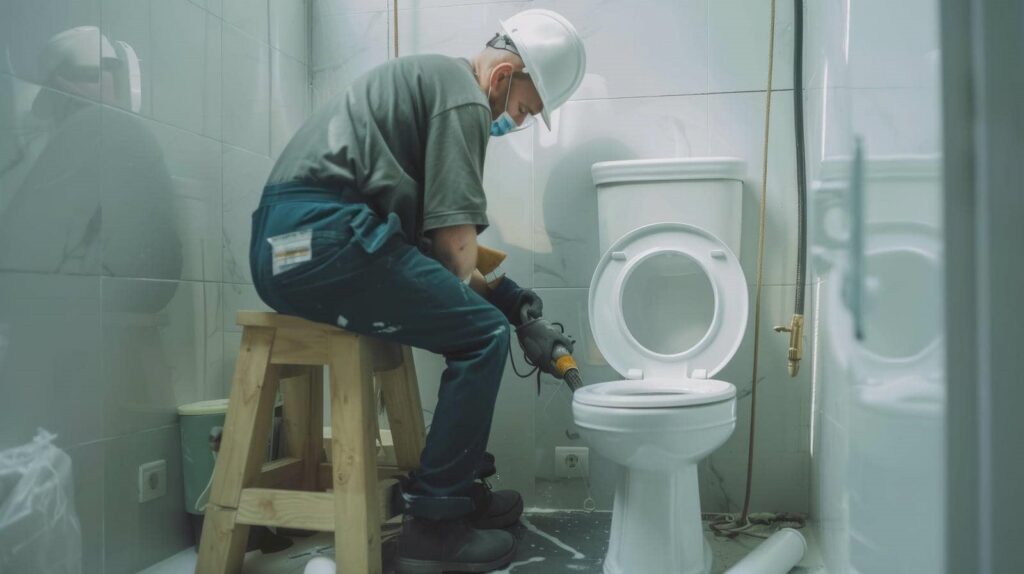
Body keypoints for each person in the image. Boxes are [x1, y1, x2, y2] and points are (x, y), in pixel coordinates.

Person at [249, 9, 586, 573]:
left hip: (291, 245)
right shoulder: (464, 98)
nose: (516, 121)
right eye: (524, 109)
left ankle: (459, 496)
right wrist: (496, 314)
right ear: (504, 76)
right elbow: (455, 247)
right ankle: (435, 526)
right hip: (323, 241)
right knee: (478, 337)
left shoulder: (434, 82)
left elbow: (433, 251)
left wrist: (509, 299)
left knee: (476, 319)